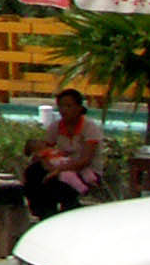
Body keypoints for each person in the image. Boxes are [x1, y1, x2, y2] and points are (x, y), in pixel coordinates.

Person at [24, 89, 105, 218]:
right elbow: (45, 149)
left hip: (85, 171)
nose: (63, 110)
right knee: (33, 172)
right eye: (61, 106)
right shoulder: (55, 127)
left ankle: (68, 211)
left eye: (68, 106)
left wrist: (59, 169)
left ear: (79, 108)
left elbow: (85, 160)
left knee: (56, 184)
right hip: (61, 166)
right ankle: (43, 213)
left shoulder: (90, 128)